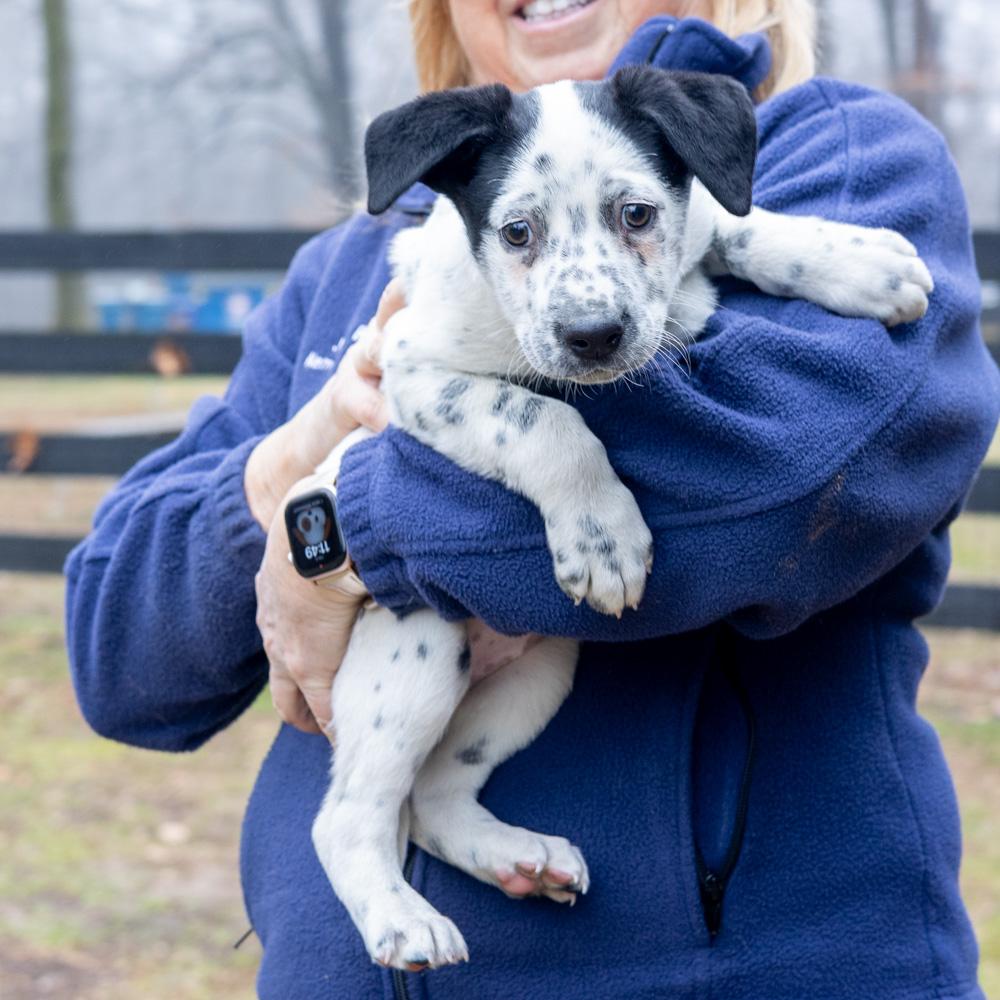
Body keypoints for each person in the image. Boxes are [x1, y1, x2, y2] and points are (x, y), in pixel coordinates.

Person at [65, 1, 1000, 997]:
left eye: (635, 216)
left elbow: (770, 485)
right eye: (520, 233)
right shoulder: (351, 263)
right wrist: (284, 477)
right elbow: (117, 656)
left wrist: (346, 533)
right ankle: (402, 825)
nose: (587, 297)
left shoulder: (831, 152)